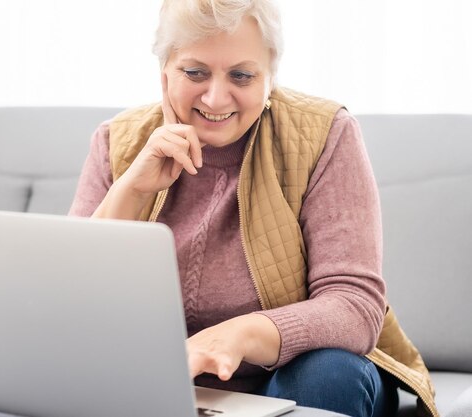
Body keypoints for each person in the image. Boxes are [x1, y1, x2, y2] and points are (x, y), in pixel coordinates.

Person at [69, 1, 437, 416]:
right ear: (164, 72)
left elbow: (355, 306)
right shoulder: (116, 141)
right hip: (164, 384)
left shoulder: (325, 133)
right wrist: (131, 190)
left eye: (241, 75)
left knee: (328, 374)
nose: (215, 96)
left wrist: (241, 335)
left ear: (270, 77)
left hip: (291, 376)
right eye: (195, 72)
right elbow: (68, 310)